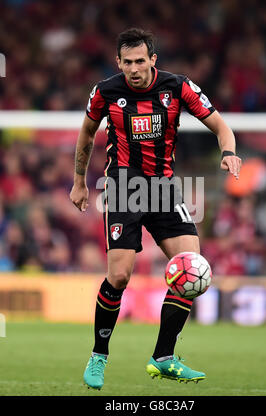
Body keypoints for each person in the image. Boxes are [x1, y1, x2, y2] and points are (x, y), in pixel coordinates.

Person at [70, 28, 242, 390]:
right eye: (127, 62)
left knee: (191, 269)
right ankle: (99, 356)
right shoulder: (105, 92)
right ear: (118, 62)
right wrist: (79, 181)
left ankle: (163, 357)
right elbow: (86, 134)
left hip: (163, 188)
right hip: (123, 188)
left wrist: (228, 153)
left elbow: (221, 126)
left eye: (140, 61)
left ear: (153, 60)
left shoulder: (178, 87)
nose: (134, 68)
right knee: (119, 276)